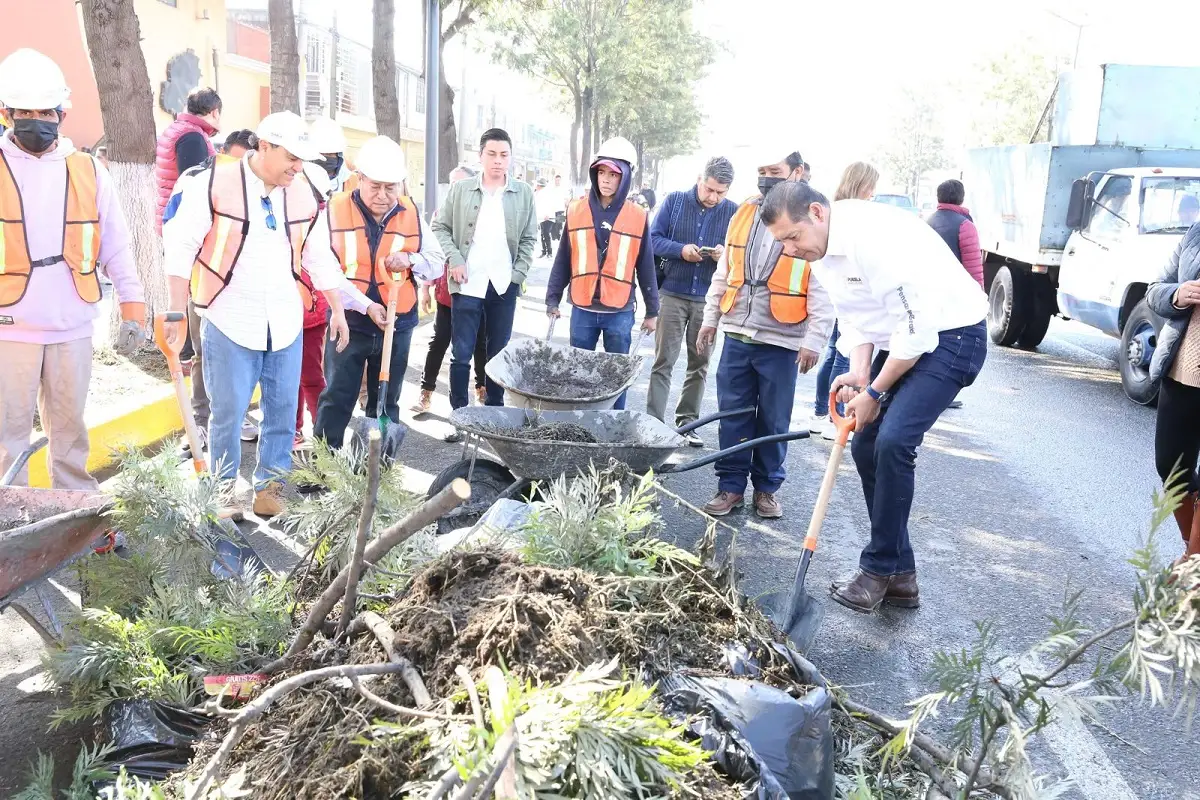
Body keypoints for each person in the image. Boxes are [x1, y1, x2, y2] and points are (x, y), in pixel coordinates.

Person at [760, 180, 988, 613]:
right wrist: (862, 376)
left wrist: (876, 392)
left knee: (895, 440)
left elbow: (917, 331)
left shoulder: (873, 239)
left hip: (952, 335)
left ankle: (879, 569)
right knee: (866, 443)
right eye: (782, 242)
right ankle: (901, 576)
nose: (790, 250)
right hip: (903, 335)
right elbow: (860, 316)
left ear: (817, 213)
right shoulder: (821, 251)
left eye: (793, 237)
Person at [162, 112, 379, 517]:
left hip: (284, 321)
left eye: (302, 160)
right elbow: (180, 247)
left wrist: (337, 308)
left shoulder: (302, 192)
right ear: (265, 146)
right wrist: (175, 312)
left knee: (281, 411)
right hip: (229, 319)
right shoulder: (214, 183)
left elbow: (319, 257)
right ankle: (223, 491)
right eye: (292, 158)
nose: (299, 167)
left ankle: (270, 487)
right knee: (227, 414)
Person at [0, 49, 146, 488]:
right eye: (22, 112)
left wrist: (134, 308)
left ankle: (76, 514)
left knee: (70, 434)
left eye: (44, 111)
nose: (34, 121)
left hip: (72, 325)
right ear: (5, 113)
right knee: (7, 438)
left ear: (62, 113)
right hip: (10, 327)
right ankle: (11, 524)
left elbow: (117, 244)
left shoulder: (89, 170)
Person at [695, 146, 833, 519]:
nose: (765, 177)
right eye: (761, 170)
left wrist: (813, 340)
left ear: (797, 172)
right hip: (737, 333)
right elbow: (725, 270)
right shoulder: (743, 212)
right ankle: (730, 487)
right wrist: (710, 318)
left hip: (781, 340)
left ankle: (767, 489)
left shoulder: (812, 219)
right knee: (733, 414)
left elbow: (821, 285)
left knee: (774, 419)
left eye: (774, 170)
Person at [314, 136, 445, 449]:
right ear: (360, 179)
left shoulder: (411, 214)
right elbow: (324, 269)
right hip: (349, 323)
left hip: (396, 325)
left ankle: (375, 468)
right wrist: (364, 305)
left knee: (386, 400)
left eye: (391, 187)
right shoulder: (334, 211)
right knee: (337, 397)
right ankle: (321, 470)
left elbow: (437, 264)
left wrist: (411, 259)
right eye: (376, 186)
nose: (384, 196)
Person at [164, 129, 261, 457]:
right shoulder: (195, 179)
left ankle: (239, 414)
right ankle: (201, 421)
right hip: (203, 288)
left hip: (246, 291)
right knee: (204, 355)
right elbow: (172, 229)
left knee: (245, 357)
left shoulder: (260, 183)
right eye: (234, 159)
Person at [432, 128, 537, 426]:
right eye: (491, 154)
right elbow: (440, 228)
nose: (497, 161)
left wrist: (518, 274)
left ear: (510, 158)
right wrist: (455, 259)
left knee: (498, 354)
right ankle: (458, 415)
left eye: (504, 155)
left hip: (504, 285)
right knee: (461, 354)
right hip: (468, 283)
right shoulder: (461, 189)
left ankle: (494, 414)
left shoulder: (522, 192)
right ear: (480, 156)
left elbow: (530, 237)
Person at [545, 137, 659, 410]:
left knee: (616, 376)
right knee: (578, 373)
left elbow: (645, 265)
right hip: (583, 307)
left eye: (613, 174)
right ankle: (578, 424)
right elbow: (563, 257)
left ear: (626, 176)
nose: (605, 180)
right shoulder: (576, 210)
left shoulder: (638, 216)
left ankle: (612, 425)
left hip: (619, 311)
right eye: (601, 172)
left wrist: (652, 311)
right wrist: (552, 298)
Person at [646, 156, 738, 445]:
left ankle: (688, 423)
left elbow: (740, 256)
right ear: (700, 179)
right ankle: (652, 425)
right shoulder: (674, 201)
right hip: (671, 294)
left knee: (700, 363)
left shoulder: (734, 213)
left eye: (721, 193)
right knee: (663, 362)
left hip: (708, 300)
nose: (714, 197)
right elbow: (652, 239)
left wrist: (726, 255)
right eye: (709, 189)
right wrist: (680, 250)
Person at [411, 165, 489, 415]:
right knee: (439, 342)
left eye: (460, 183)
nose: (455, 188)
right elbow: (432, 254)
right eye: (452, 183)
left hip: (478, 292)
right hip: (447, 295)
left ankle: (481, 390)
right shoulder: (440, 215)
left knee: (479, 344)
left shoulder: (484, 213)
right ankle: (426, 393)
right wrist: (425, 288)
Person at [811, 161, 878, 440]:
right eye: (872, 187)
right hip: (849, 295)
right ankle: (835, 413)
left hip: (843, 293)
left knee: (834, 351)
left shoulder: (833, 208)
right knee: (842, 354)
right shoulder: (854, 216)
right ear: (863, 185)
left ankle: (822, 410)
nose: (873, 193)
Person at [1146, 225, 1200, 563]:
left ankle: (1194, 565)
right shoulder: (1195, 234)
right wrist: (1177, 295)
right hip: (1182, 373)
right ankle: (1193, 554)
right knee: (1171, 465)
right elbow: (1154, 291)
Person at [155, 87, 221, 233]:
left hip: (172, 214)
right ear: (215, 112)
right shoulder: (192, 137)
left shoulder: (179, 128)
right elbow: (193, 186)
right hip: (182, 222)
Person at [307, 117, 353, 192]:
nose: (325, 158)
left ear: (339, 156)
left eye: (330, 154)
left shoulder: (352, 181)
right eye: (321, 154)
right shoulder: (299, 180)